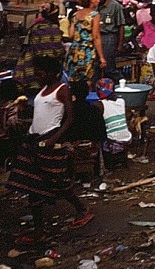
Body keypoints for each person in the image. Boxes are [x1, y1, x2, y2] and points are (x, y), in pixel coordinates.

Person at [6, 56, 94, 240]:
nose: (37, 76)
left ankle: (81, 209)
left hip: (49, 141)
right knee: (33, 185)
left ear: (53, 73)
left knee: (58, 183)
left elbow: (69, 119)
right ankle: (39, 230)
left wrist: (54, 139)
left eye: (41, 73)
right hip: (34, 140)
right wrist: (23, 111)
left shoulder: (63, 90)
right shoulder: (43, 90)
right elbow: (40, 113)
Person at [14, 3, 65, 95]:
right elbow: (58, 50)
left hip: (32, 68)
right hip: (48, 70)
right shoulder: (55, 28)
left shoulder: (35, 28)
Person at [66, 0, 106, 86]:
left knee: (74, 80)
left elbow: (71, 34)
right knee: (87, 80)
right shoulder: (94, 15)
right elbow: (96, 37)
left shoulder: (75, 15)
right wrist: (102, 57)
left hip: (74, 50)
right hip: (87, 50)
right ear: (92, 0)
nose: (99, 0)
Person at [96, 0, 125, 80]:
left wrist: (120, 44)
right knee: (96, 67)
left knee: (109, 67)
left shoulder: (115, 6)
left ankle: (121, 82)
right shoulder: (95, 6)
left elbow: (121, 25)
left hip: (109, 36)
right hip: (96, 36)